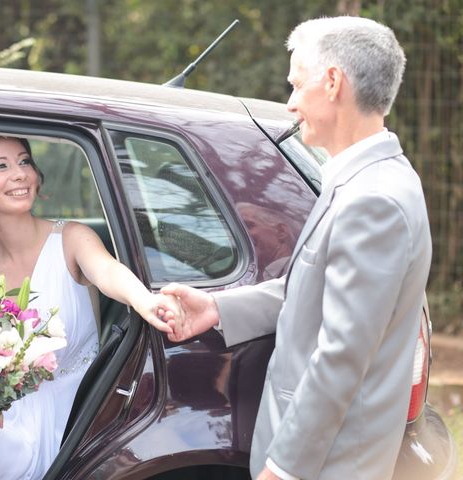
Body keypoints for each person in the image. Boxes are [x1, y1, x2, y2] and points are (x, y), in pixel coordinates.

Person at [162, 16, 431, 480]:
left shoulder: (374, 200)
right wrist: (217, 308)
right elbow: (310, 289)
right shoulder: (361, 179)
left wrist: (285, 469)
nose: (289, 104)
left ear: (332, 83)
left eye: (295, 83)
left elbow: (341, 355)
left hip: (329, 465)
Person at [0, 133, 176, 480]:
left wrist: (145, 300)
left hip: (64, 412)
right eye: (1, 166)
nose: (20, 173)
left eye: (25, 161)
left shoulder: (71, 238)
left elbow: (107, 271)